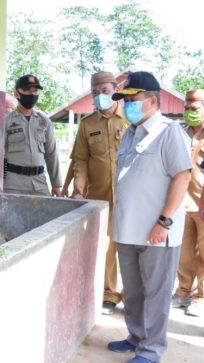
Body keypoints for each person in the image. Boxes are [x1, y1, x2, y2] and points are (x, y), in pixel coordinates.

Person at [106, 71, 192, 363]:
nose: (127, 105)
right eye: (125, 100)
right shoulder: (131, 131)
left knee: (156, 293)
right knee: (135, 290)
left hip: (156, 232)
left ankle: (152, 350)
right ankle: (136, 336)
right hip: (129, 229)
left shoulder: (170, 132)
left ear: (152, 101)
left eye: (132, 99)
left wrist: (164, 221)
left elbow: (182, 175)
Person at [71, 71, 129, 314]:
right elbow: (81, 160)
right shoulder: (87, 124)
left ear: (115, 90)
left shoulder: (131, 118)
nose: (100, 96)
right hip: (100, 195)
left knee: (131, 244)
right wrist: (78, 187)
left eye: (104, 91)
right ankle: (108, 293)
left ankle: (134, 295)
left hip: (131, 196)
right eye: (95, 93)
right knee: (106, 246)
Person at [171, 89, 204, 317]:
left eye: (194, 109)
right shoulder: (180, 133)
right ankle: (183, 291)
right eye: (186, 108)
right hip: (182, 202)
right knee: (184, 252)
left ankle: (202, 297)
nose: (189, 112)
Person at [4, 74, 63, 197]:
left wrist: (56, 184)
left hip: (39, 183)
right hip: (13, 184)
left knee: (46, 215)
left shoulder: (44, 121)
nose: (32, 94)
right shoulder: (6, 120)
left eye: (35, 90)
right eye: (27, 90)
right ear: (16, 94)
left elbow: (51, 154)